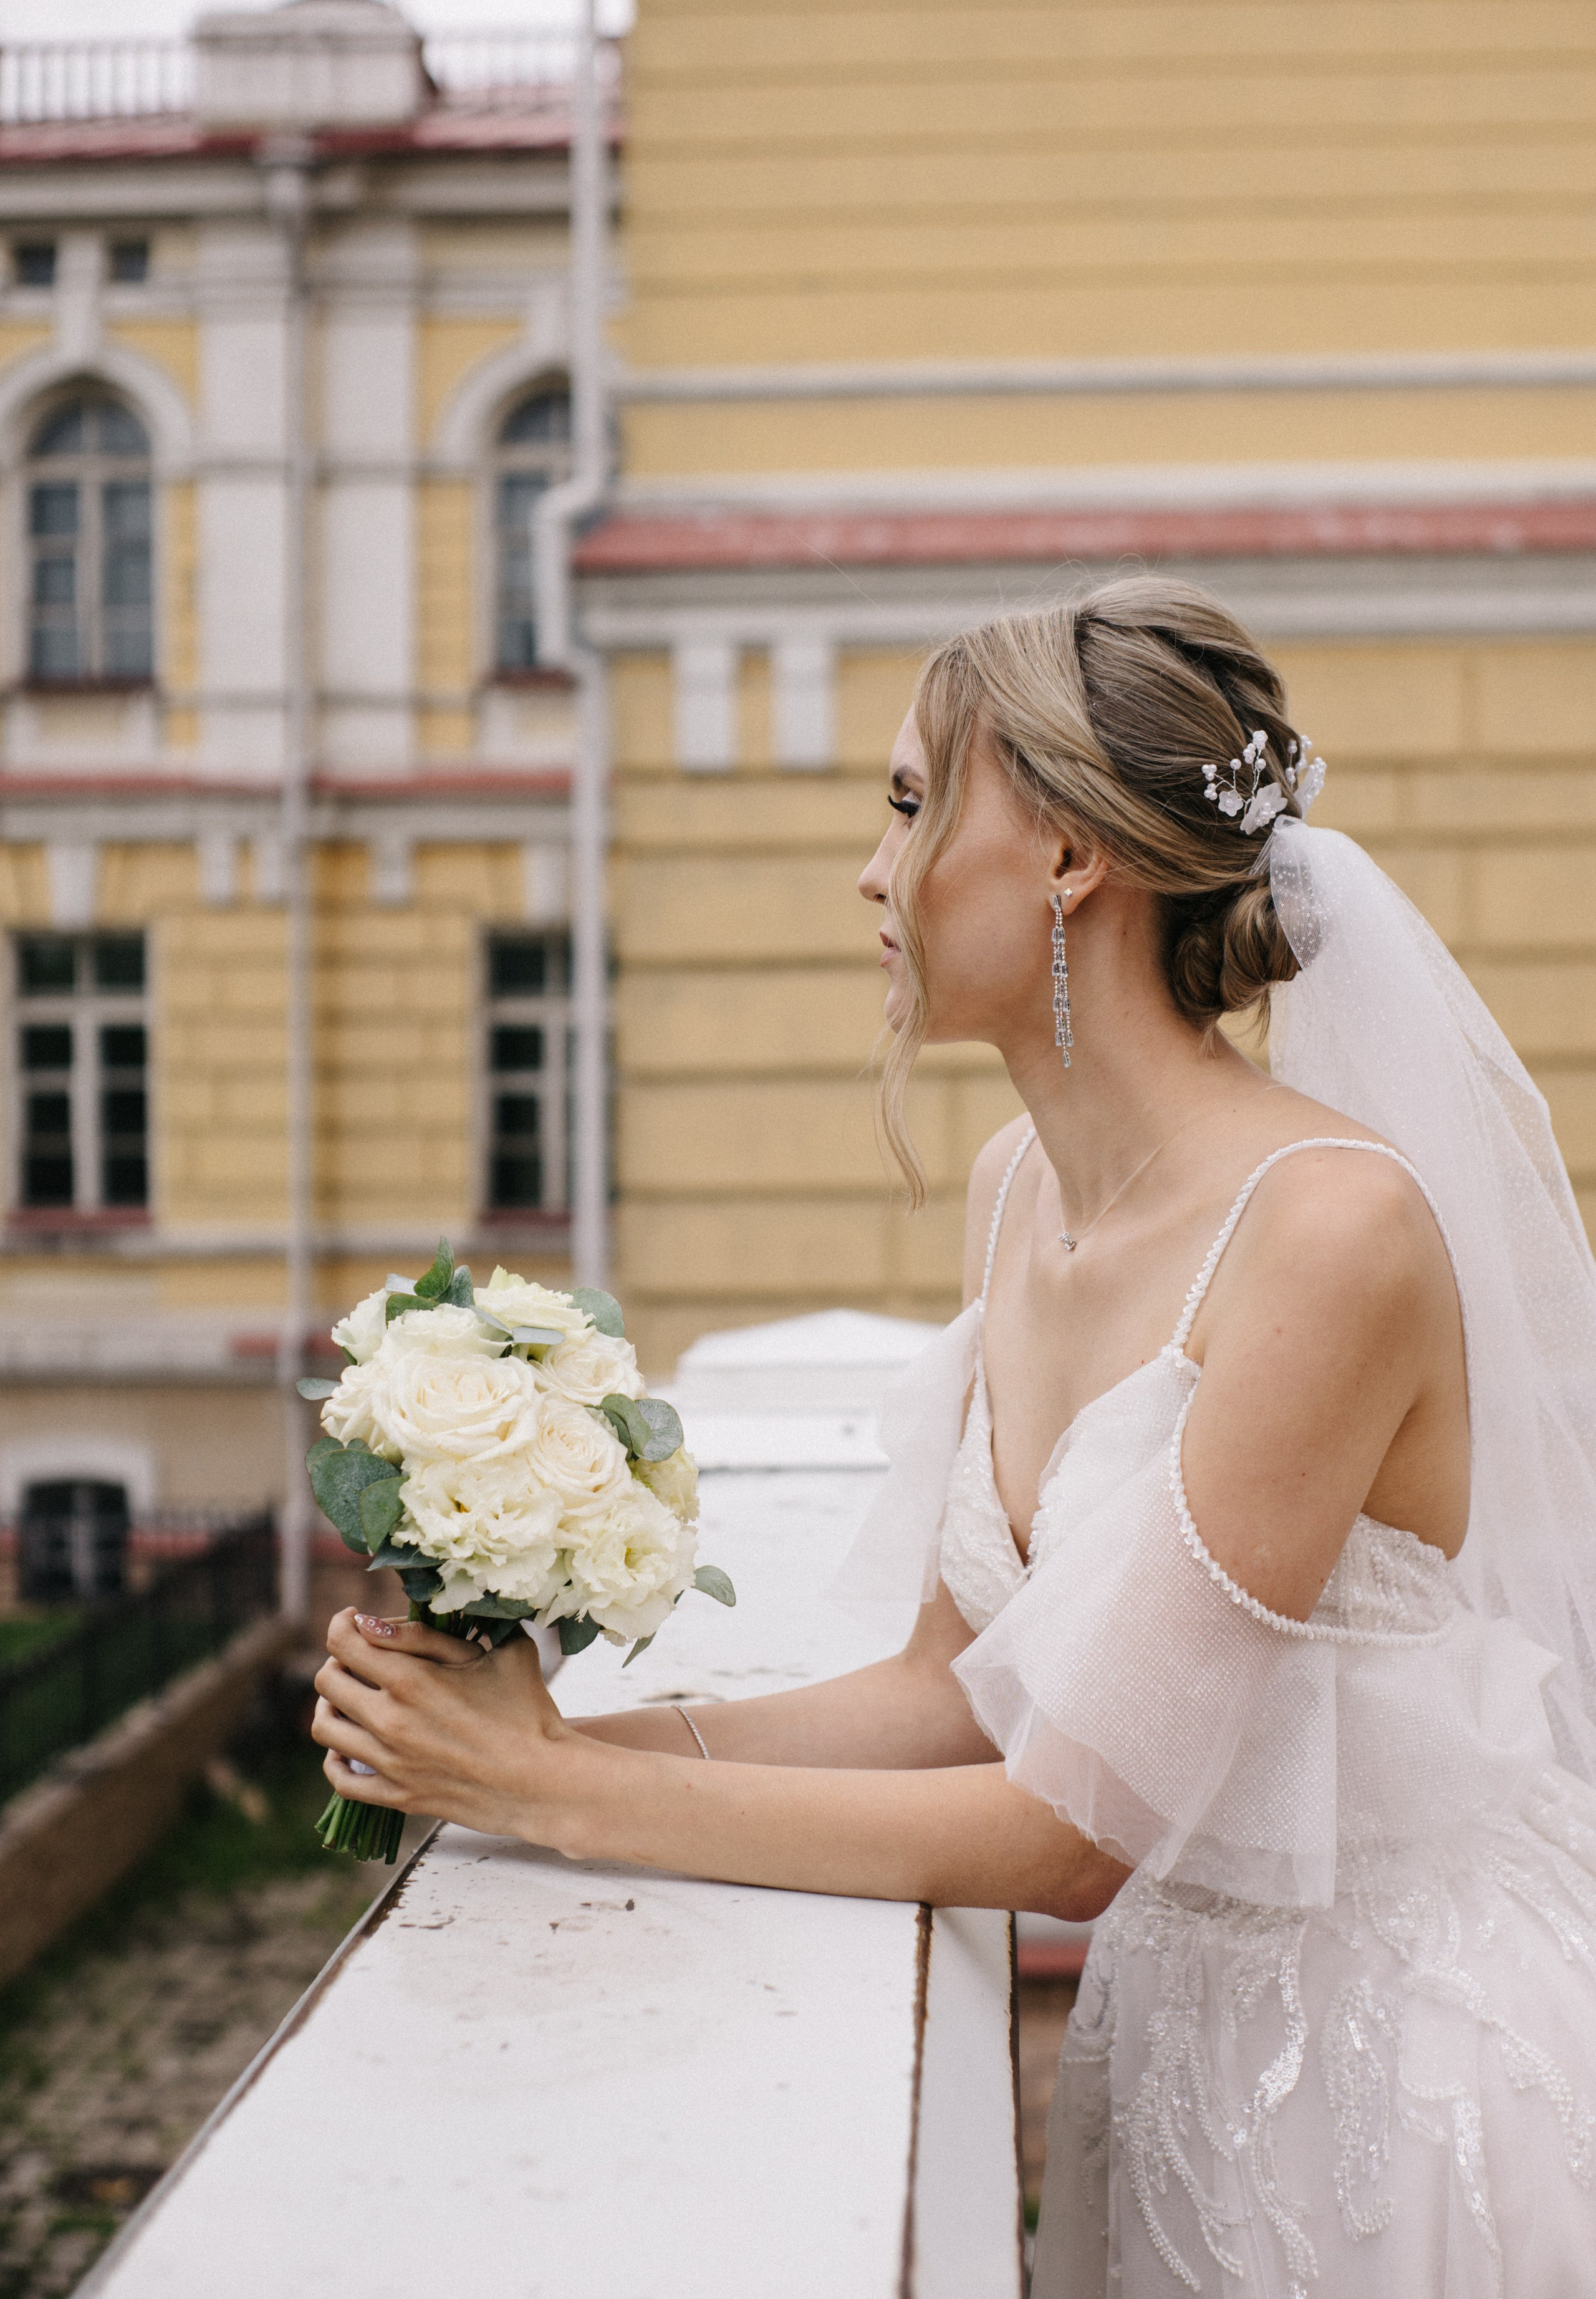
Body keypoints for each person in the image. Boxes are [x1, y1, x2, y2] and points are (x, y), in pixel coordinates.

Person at [312, 577, 1596, 2295]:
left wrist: (560, 1796)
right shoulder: (1015, 1188)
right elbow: (953, 1687)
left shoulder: (1329, 1231)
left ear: (1071, 855)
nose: (875, 870)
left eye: (914, 804)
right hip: (1175, 2046)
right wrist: (554, 1735)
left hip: (1404, 2080)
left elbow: (1077, 1830)